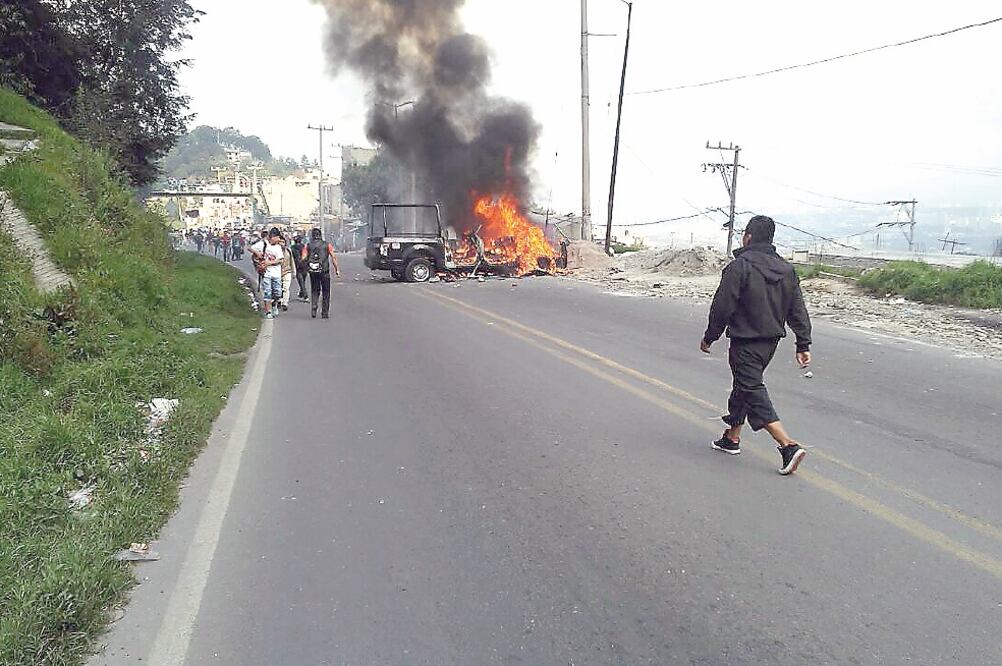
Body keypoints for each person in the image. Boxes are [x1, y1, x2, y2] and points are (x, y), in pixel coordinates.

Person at [700, 215, 812, 476]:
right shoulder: (786, 270)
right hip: (770, 343)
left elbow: (722, 306)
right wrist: (802, 342)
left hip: (745, 340)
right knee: (744, 386)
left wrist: (710, 336)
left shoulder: (740, 267)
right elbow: (797, 309)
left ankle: (788, 446)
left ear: (748, 237)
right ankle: (732, 438)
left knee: (751, 387)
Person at [300, 228, 341, 319]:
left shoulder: (308, 245)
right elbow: (333, 257)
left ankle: (314, 307)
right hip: (324, 271)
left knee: (315, 290)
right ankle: (325, 312)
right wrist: (337, 269)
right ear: (320, 235)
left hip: (313, 271)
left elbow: (303, 257)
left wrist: (306, 266)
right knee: (326, 292)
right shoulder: (327, 245)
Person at [260, 228, 285, 320]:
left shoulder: (278, 248)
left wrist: (270, 263)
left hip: (276, 274)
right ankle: (268, 311)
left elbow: (281, 260)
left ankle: (274, 305)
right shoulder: (265, 244)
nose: (279, 239)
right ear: (273, 237)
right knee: (267, 293)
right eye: (278, 237)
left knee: (278, 293)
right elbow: (254, 249)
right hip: (267, 274)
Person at [278, 235, 297, 312]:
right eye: (280, 242)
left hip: (287, 271)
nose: (282, 243)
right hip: (277, 272)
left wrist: (294, 271)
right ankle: (279, 300)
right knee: (278, 288)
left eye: (283, 242)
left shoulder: (288, 251)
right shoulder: (275, 251)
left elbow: (292, 261)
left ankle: (285, 303)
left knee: (286, 288)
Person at [291, 234, 309, 301]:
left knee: (301, 282)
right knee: (302, 281)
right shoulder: (304, 247)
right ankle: (302, 293)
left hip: (297, 266)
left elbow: (291, 258)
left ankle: (305, 295)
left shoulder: (292, 248)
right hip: (304, 266)